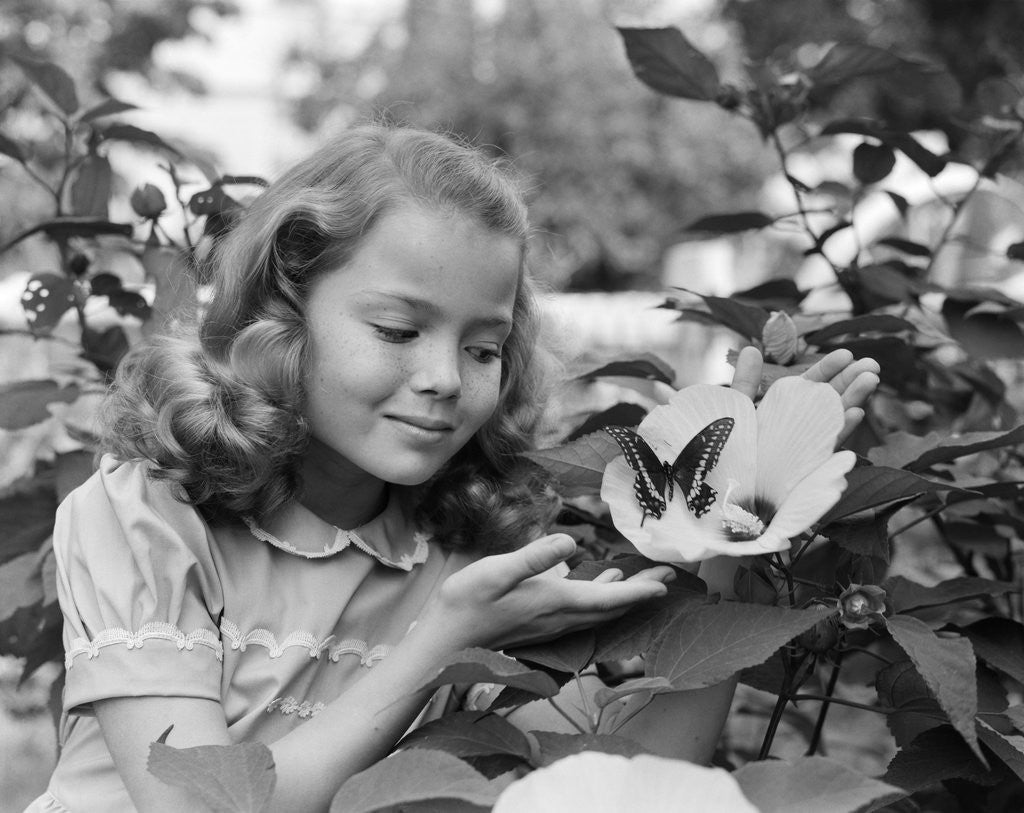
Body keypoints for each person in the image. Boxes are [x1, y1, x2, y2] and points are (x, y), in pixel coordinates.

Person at [28, 123, 879, 812]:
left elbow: (630, 781)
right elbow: (198, 807)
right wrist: (442, 641)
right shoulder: (148, 512)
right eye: (398, 331)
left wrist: (740, 522)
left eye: (483, 346)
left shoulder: (459, 540)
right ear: (283, 309)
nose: (444, 378)